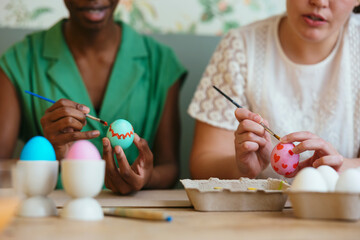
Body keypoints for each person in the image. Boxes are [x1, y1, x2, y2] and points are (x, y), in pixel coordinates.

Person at [0, 0, 187, 194]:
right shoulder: (18, 62)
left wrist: (146, 178)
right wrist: (49, 158)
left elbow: (170, 166)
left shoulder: (160, 62)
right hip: (53, 214)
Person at [188, 0, 360, 180]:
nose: (319, 2)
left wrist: (341, 167)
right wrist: (241, 169)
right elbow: (202, 164)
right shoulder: (240, 46)